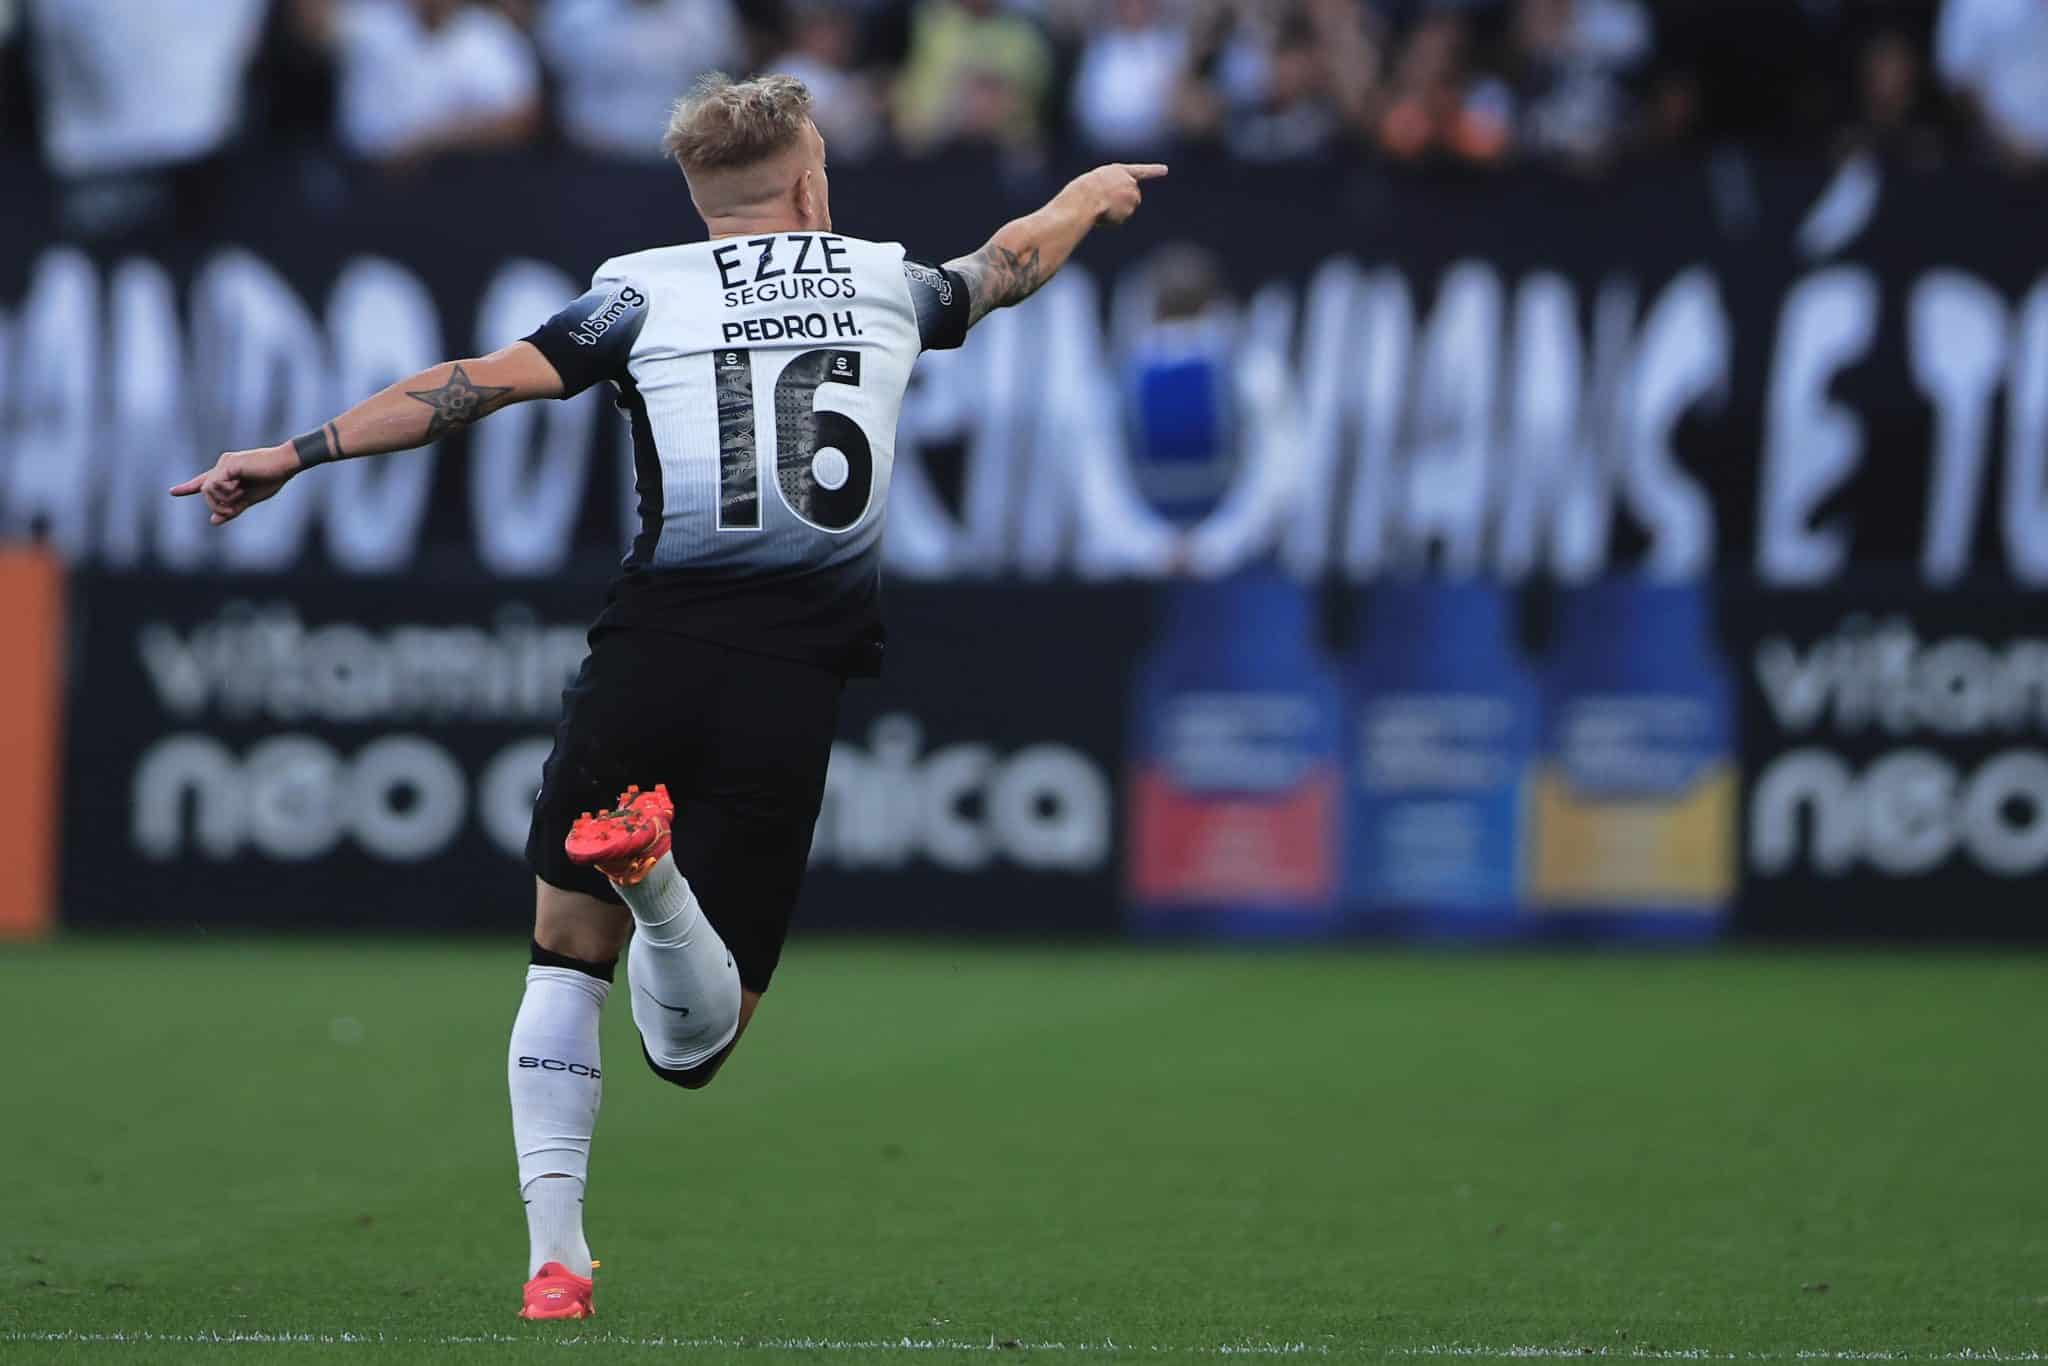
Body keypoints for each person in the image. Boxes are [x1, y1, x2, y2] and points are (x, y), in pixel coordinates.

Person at [169, 71, 1164, 1322]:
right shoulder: (885, 278)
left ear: (700, 199)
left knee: (559, 954)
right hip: (795, 677)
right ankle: (661, 887)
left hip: (649, 653)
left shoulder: (638, 292)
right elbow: (1007, 265)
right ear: (807, 180)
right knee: (694, 1047)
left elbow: (472, 382)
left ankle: (556, 1257)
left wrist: (294, 454)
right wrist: (1086, 192)